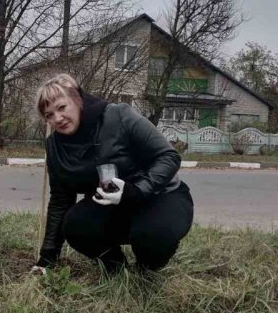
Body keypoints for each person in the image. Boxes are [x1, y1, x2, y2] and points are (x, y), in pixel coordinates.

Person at [33, 73, 194, 274]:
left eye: (61, 107)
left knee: (153, 236)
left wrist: (137, 190)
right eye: (49, 115)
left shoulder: (118, 115)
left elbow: (169, 157)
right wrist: (48, 256)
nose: (57, 118)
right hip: (112, 204)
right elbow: (60, 200)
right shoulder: (55, 147)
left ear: (77, 100)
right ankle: (116, 267)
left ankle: (147, 269)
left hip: (160, 196)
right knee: (75, 224)